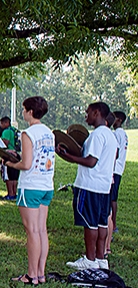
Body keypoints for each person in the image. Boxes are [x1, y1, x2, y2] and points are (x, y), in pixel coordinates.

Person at [57, 102, 117, 270]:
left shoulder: (97, 135)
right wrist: (67, 154)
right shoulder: (109, 134)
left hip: (89, 185)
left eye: (88, 112)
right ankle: (101, 259)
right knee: (101, 224)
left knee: (89, 224)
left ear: (97, 113)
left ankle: (89, 260)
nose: (86, 116)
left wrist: (69, 156)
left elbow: (91, 161)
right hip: (104, 186)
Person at [4, 97, 55, 286]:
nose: (23, 112)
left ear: (31, 112)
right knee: (41, 230)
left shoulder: (28, 133)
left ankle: (31, 275)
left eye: (24, 109)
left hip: (31, 186)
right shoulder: (49, 132)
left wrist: (10, 162)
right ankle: (40, 273)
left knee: (31, 231)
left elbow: (26, 164)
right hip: (46, 186)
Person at [108, 110, 127, 254]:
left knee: (112, 198)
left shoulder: (117, 134)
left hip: (114, 170)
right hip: (119, 169)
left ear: (119, 120)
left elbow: (116, 153)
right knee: (113, 197)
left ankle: (112, 225)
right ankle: (112, 224)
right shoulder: (123, 134)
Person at [0, 116, 20, 200]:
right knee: (14, 175)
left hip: (9, 154)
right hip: (17, 154)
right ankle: (14, 193)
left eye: (1, 123)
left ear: (6, 123)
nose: (1, 125)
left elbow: (5, 143)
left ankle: (10, 194)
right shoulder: (14, 130)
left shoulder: (6, 131)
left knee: (8, 175)